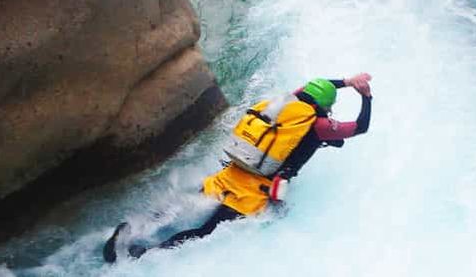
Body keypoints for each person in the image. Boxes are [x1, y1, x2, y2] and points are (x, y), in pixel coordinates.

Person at [104, 73, 373, 262]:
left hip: (230, 172)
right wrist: (366, 97)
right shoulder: (319, 126)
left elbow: (307, 88)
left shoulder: (286, 103)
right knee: (205, 230)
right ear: (325, 106)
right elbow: (361, 127)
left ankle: (130, 228)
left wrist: (346, 82)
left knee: (182, 206)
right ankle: (147, 255)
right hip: (254, 191)